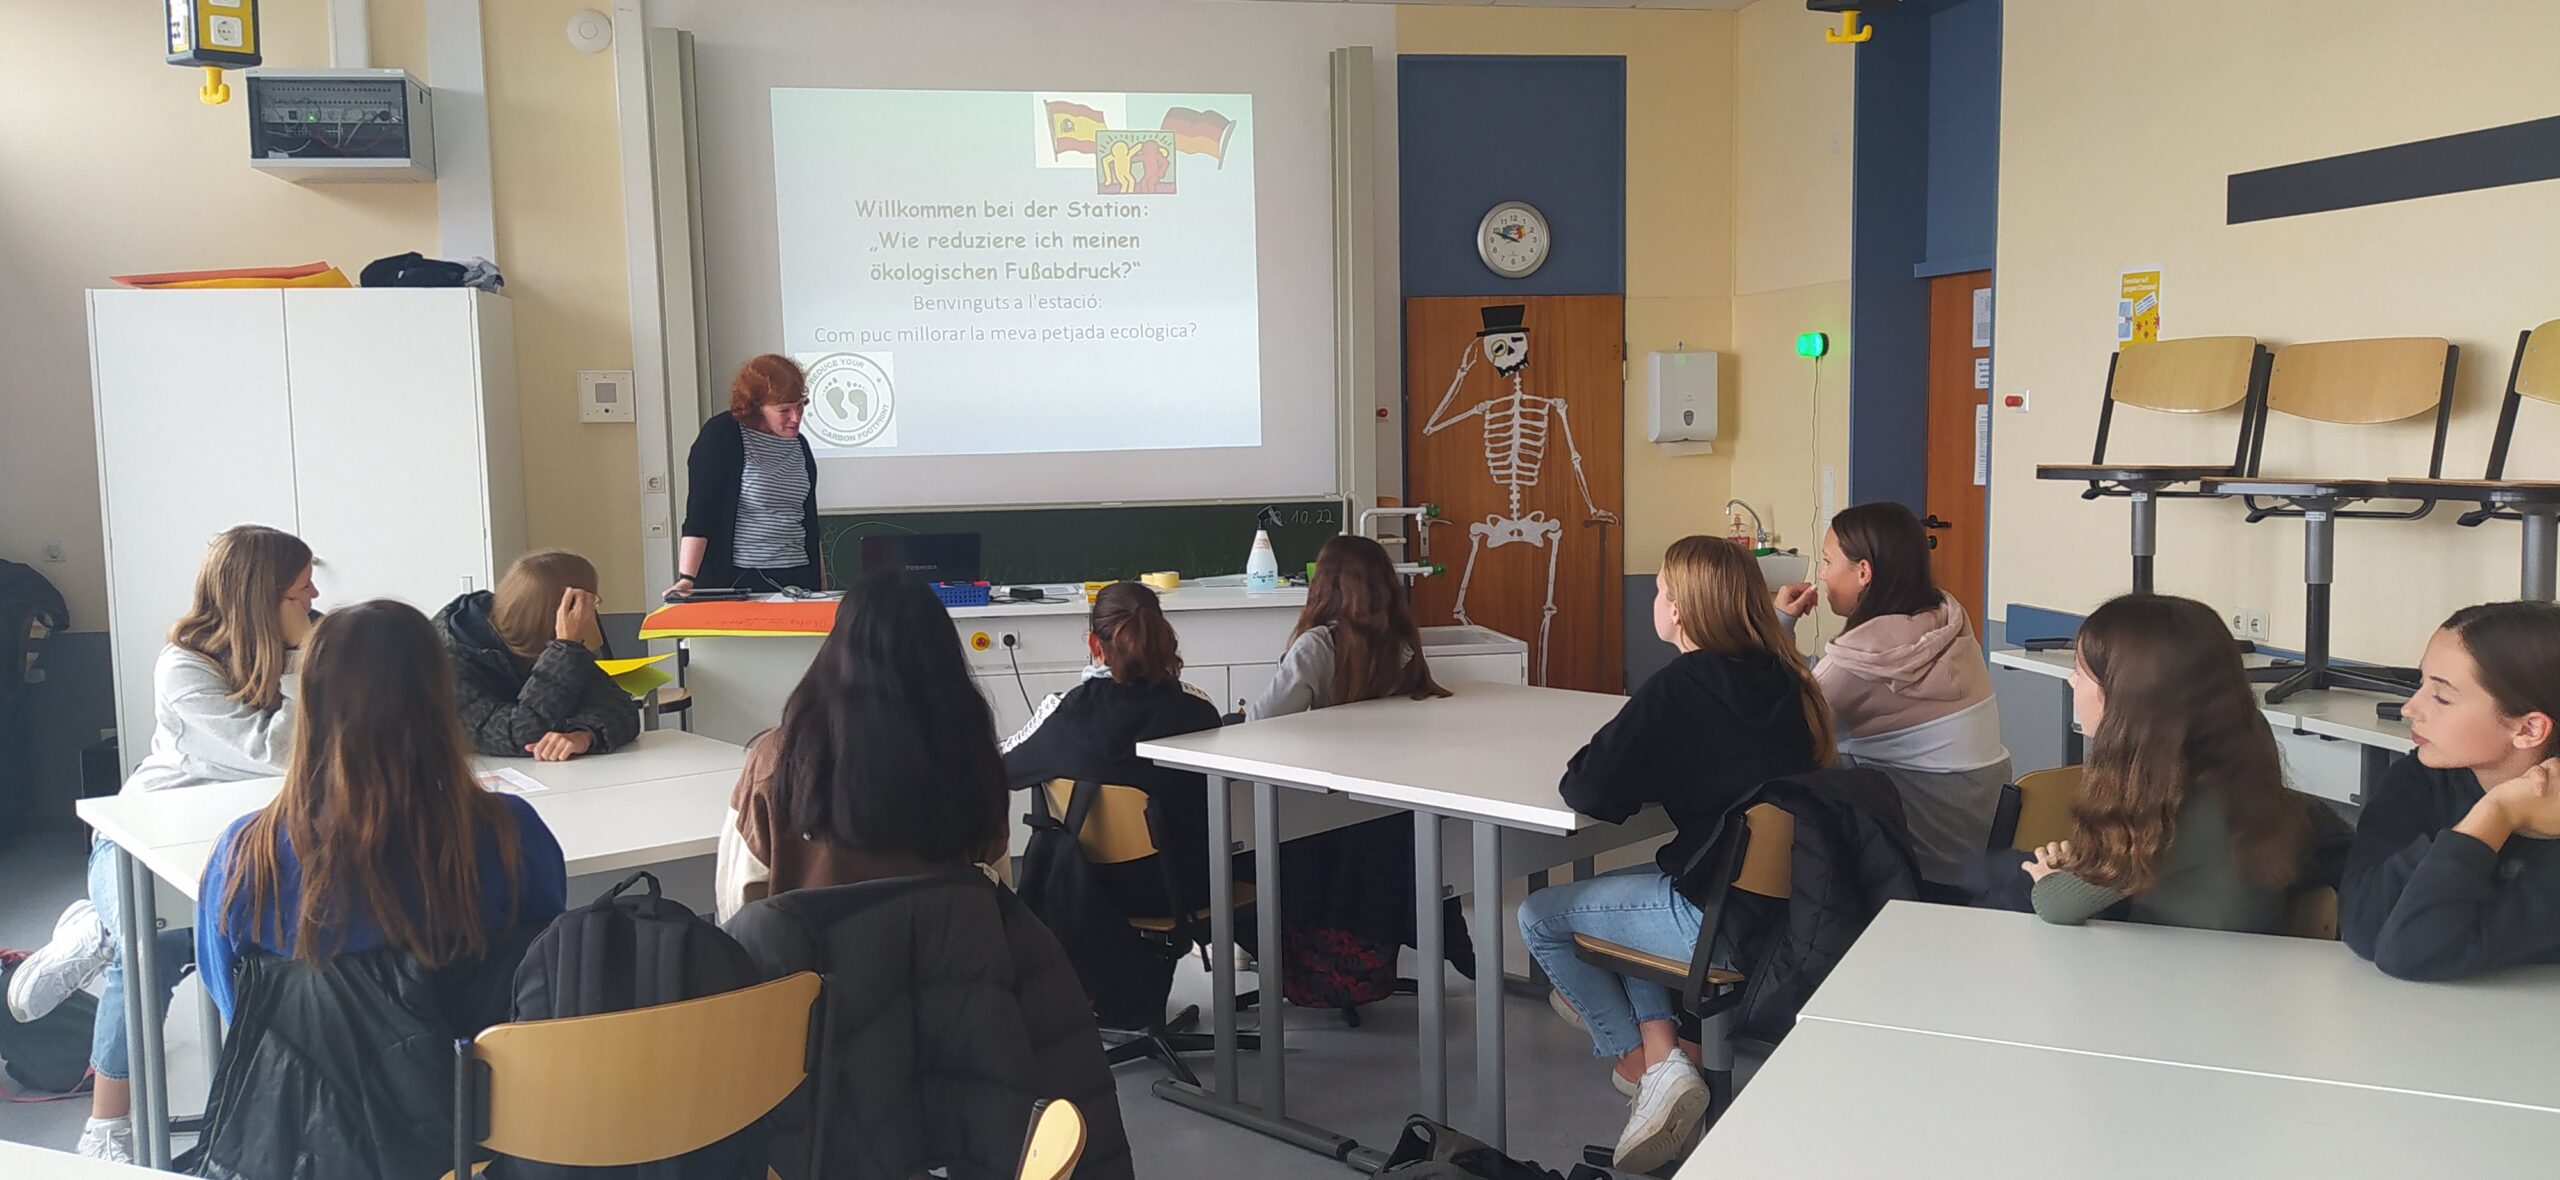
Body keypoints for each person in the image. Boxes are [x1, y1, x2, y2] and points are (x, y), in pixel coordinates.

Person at [1520, 535, 1831, 1174]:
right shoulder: (1788, 677)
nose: (1654, 600)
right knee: (1635, 899)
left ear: (1681, 610)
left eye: (1660, 590)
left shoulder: (1679, 687)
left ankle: (1643, 1067)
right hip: (1787, 912)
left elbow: (1588, 790)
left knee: (1540, 917)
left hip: (1716, 920)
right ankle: (1667, 1056)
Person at [3, 525, 314, 1163]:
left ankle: (102, 926)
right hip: (143, 835)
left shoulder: (309, 640)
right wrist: (310, 666)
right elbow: (273, 752)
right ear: (262, 597)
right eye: (300, 589)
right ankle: (106, 1129)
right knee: (148, 951)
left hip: (251, 843)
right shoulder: (185, 665)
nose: (314, 598)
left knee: (254, 942)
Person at [196, 599, 569, 1022]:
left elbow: (238, 1009)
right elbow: (541, 977)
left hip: (311, 1065)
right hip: (482, 1063)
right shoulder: (511, 832)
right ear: (438, 701)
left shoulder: (246, 855)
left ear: (310, 706)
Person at [713, 571, 1010, 922]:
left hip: (808, 957)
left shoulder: (777, 760)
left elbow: (738, 904)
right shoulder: (971, 755)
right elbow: (997, 893)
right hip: (952, 953)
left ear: (836, 651)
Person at [2009, 594, 2309, 931]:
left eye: (2080, 671)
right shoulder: (2234, 747)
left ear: (2125, 699)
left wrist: (2047, 876)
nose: (2071, 680)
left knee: (2006, 882)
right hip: (2192, 950)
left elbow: (2057, 903)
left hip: (2192, 961)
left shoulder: (2188, 803)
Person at [1774, 502, 2011, 890]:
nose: (1822, 573)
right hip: (1978, 849)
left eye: (1828, 561)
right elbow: (1818, 684)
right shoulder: (1949, 625)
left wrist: (1780, 623)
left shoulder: (1855, 664)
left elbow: (1782, 721)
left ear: (1863, 572)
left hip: (1914, 867)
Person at [2341, 601, 2560, 980]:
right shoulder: (2421, 777)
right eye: (2420, 683)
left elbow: (2410, 953)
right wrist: (2493, 814)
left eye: (2441, 697)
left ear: (2528, 729)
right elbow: (2363, 926)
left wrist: (2498, 814)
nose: (2410, 708)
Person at [1002, 581, 1223, 919]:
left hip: (1086, 894)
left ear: (1095, 644)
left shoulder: (1061, 716)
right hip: (1189, 892)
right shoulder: (1199, 710)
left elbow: (998, 767)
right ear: (1162, 639)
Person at [435, 549, 641, 760]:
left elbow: (622, 709)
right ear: (564, 611)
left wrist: (584, 734)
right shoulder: (447, 661)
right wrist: (565, 650)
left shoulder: (543, 640)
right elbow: (520, 735)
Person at [666, 354, 822, 598]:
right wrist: (687, 578)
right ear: (757, 406)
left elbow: (809, 519)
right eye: (784, 410)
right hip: (740, 579)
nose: (796, 417)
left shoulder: (799, 445)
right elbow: (701, 512)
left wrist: (821, 585)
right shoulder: (722, 435)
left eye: (801, 405)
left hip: (798, 576)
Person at [1247, 534, 1448, 718]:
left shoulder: (1317, 645)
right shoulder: (1401, 637)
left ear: (1322, 584)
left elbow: (1260, 721)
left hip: (1331, 744)